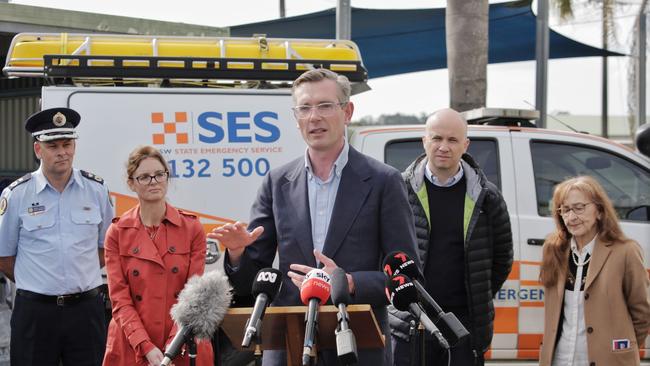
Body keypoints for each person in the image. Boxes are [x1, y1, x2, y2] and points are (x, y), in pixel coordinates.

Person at [209, 68, 418, 366]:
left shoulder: (384, 181)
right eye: (304, 108)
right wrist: (238, 253)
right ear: (296, 119)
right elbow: (253, 280)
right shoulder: (276, 182)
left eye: (324, 106)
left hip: (357, 342)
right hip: (287, 342)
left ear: (347, 112)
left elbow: (405, 274)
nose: (314, 116)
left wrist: (350, 283)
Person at [391, 108, 513, 366]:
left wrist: (476, 295)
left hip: (464, 326)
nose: (443, 146)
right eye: (436, 138)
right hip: (411, 322)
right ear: (424, 141)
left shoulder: (487, 198)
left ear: (465, 144)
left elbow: (502, 259)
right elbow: (382, 254)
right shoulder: (397, 192)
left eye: (452, 140)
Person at [0, 107, 113, 365]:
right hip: (36, 312)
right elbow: (4, 257)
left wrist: (74, 275)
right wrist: (40, 281)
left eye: (67, 144)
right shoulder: (16, 195)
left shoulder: (96, 189)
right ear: (38, 150)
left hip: (86, 311)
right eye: (53, 146)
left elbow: (104, 248)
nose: (62, 152)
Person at [102, 146, 213, 366]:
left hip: (182, 340)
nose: (154, 181)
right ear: (131, 183)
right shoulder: (117, 232)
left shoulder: (192, 229)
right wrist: (145, 346)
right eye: (144, 177)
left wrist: (173, 347)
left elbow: (193, 297)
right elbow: (120, 301)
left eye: (159, 174)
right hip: (132, 343)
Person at [539, 176, 650, 366]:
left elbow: (642, 314)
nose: (571, 217)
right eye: (565, 210)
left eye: (579, 208)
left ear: (599, 210)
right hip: (560, 359)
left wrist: (619, 351)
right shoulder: (553, 249)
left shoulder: (625, 251)